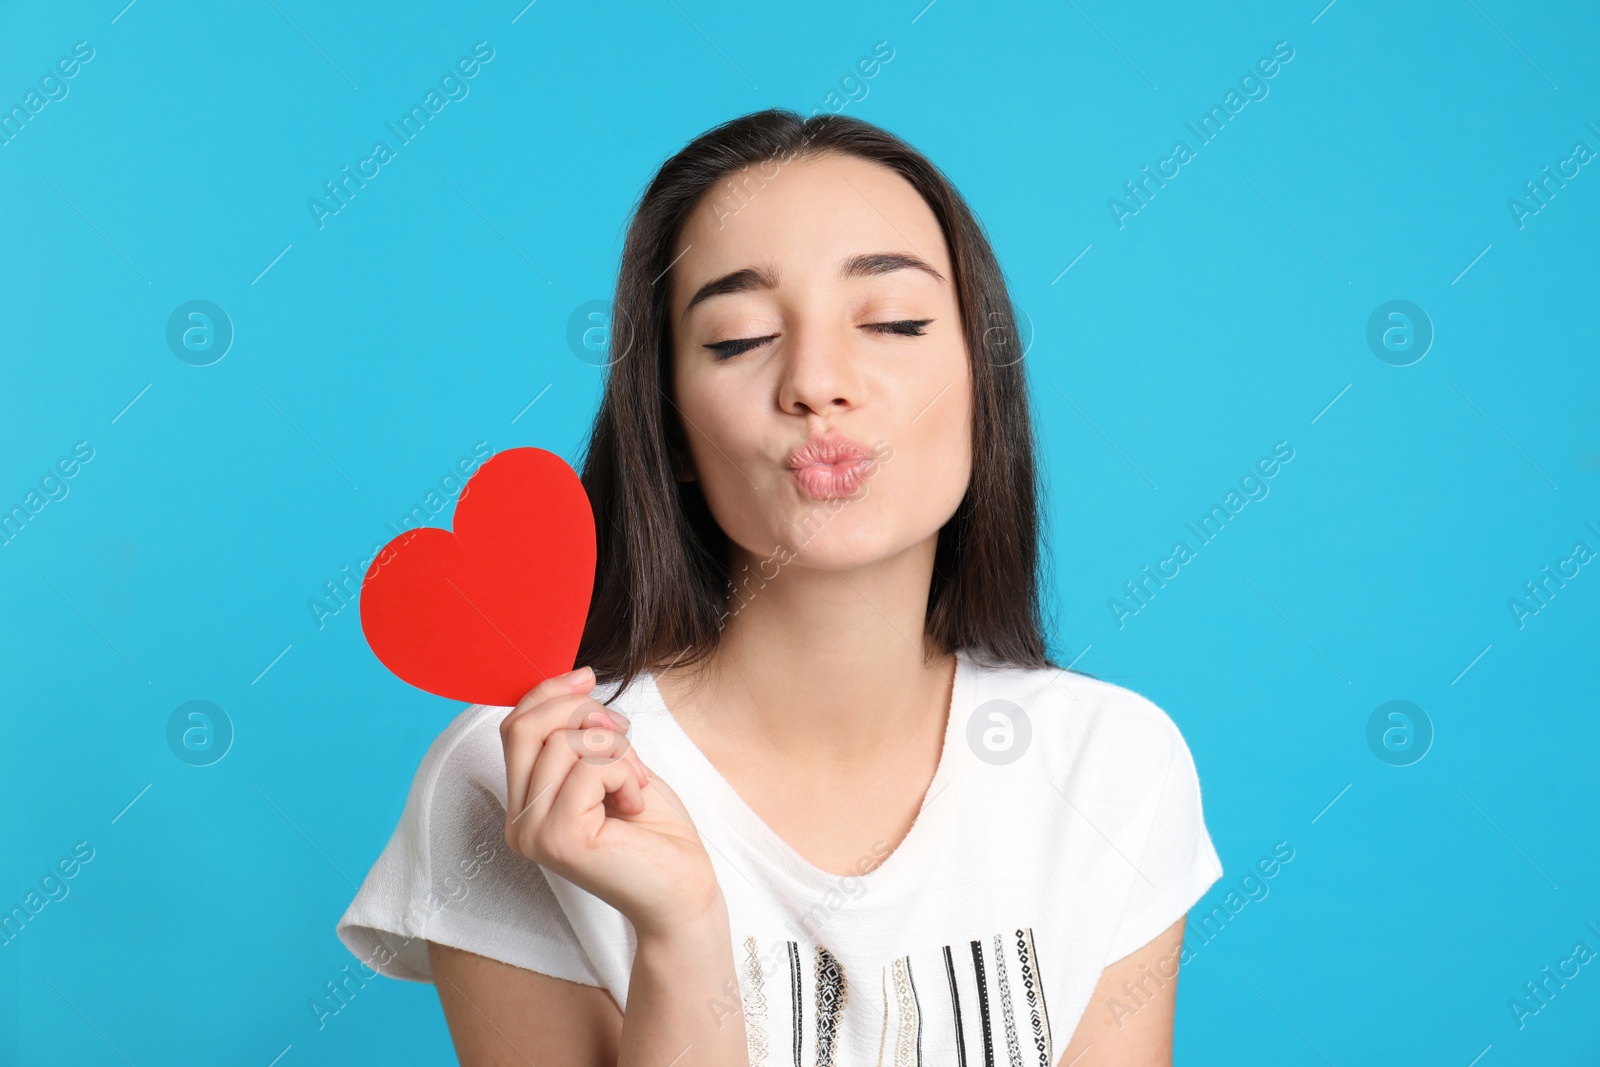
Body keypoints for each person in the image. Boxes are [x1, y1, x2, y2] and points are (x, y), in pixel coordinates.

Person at [337, 108, 1223, 1066]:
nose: (816, 382)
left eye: (893, 322)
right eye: (740, 337)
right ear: (669, 427)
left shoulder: (1112, 765)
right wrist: (681, 935)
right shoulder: (518, 776)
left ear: (983, 383)